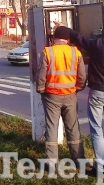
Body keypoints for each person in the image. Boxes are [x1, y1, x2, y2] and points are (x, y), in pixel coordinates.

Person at [58, 23, 104, 176]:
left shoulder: (100, 45)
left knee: (96, 129)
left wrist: (64, 29)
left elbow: (81, 39)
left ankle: (100, 166)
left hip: (97, 92)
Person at [36, 26, 87, 170]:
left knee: (52, 127)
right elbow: (82, 76)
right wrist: (77, 88)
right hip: (70, 95)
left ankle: (52, 163)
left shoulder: (48, 51)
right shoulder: (75, 52)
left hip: (52, 96)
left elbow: (41, 74)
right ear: (68, 39)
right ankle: (79, 161)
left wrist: (41, 89)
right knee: (73, 128)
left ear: (54, 38)